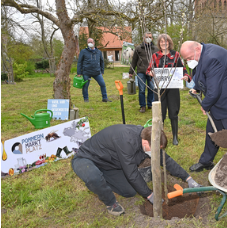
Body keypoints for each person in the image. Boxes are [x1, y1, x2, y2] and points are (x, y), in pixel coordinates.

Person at [71, 125, 200, 216]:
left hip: (108, 165)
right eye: (156, 149)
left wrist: (188, 179)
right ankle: (111, 203)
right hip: (87, 159)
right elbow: (131, 173)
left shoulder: (149, 140)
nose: (157, 152)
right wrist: (150, 195)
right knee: (93, 177)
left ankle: (101, 178)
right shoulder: (126, 142)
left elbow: (166, 160)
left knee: (130, 191)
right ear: (145, 142)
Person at [180, 41, 227, 172]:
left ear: (196, 49)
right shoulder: (201, 54)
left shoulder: (212, 58)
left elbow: (214, 91)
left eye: (189, 57)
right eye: (186, 59)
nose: (189, 61)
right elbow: (202, 74)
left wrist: (205, 105)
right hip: (219, 99)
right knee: (212, 131)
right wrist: (197, 88)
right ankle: (206, 161)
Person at [146, 34, 191, 146]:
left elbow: (183, 69)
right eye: (161, 42)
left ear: (169, 43)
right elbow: (148, 70)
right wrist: (150, 73)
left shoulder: (176, 55)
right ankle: (160, 137)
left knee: (173, 112)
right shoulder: (155, 56)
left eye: (165, 41)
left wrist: (186, 76)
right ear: (159, 44)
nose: (163, 43)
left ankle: (175, 136)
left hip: (173, 88)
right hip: (160, 89)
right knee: (160, 113)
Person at [129, 32, 158, 113]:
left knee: (151, 88)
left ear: (152, 38)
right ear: (143, 38)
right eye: (147, 37)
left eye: (150, 37)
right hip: (141, 71)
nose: (148, 38)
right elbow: (134, 61)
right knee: (142, 89)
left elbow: (158, 61)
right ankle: (142, 106)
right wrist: (131, 71)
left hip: (152, 72)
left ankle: (150, 104)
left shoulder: (155, 49)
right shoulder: (138, 48)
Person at [77, 38, 112, 103]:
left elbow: (102, 62)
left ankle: (105, 98)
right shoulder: (83, 51)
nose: (90, 43)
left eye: (91, 42)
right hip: (86, 72)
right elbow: (79, 62)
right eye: (88, 42)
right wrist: (79, 72)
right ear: (87, 43)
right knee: (85, 86)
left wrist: (102, 71)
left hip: (97, 72)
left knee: (102, 84)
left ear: (94, 43)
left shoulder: (98, 52)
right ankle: (86, 99)